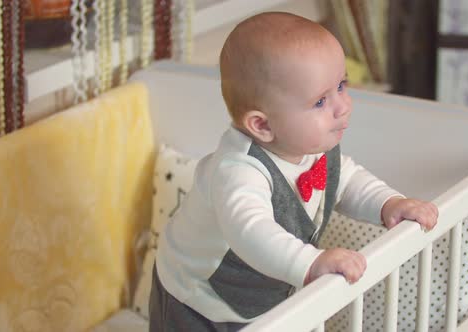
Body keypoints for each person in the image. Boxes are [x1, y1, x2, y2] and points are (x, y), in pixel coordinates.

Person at [149, 11, 438, 332]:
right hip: (196, 296)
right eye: (320, 102)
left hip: (260, 295)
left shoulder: (313, 149)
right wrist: (311, 263)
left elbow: (348, 181)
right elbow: (252, 232)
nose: (343, 106)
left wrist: (389, 204)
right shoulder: (238, 171)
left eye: (342, 86)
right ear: (262, 125)